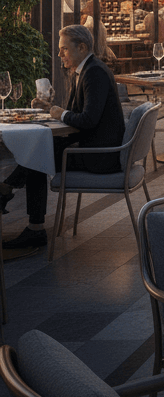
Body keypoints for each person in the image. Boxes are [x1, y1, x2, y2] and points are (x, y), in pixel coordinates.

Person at [1, 25, 125, 247]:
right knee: (40, 151)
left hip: (101, 156)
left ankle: (28, 219)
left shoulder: (93, 72)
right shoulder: (85, 70)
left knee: (37, 156)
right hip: (95, 148)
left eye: (64, 49)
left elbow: (88, 120)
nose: (59, 54)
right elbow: (77, 115)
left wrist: (58, 112)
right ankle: (24, 213)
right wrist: (51, 108)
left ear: (82, 47)